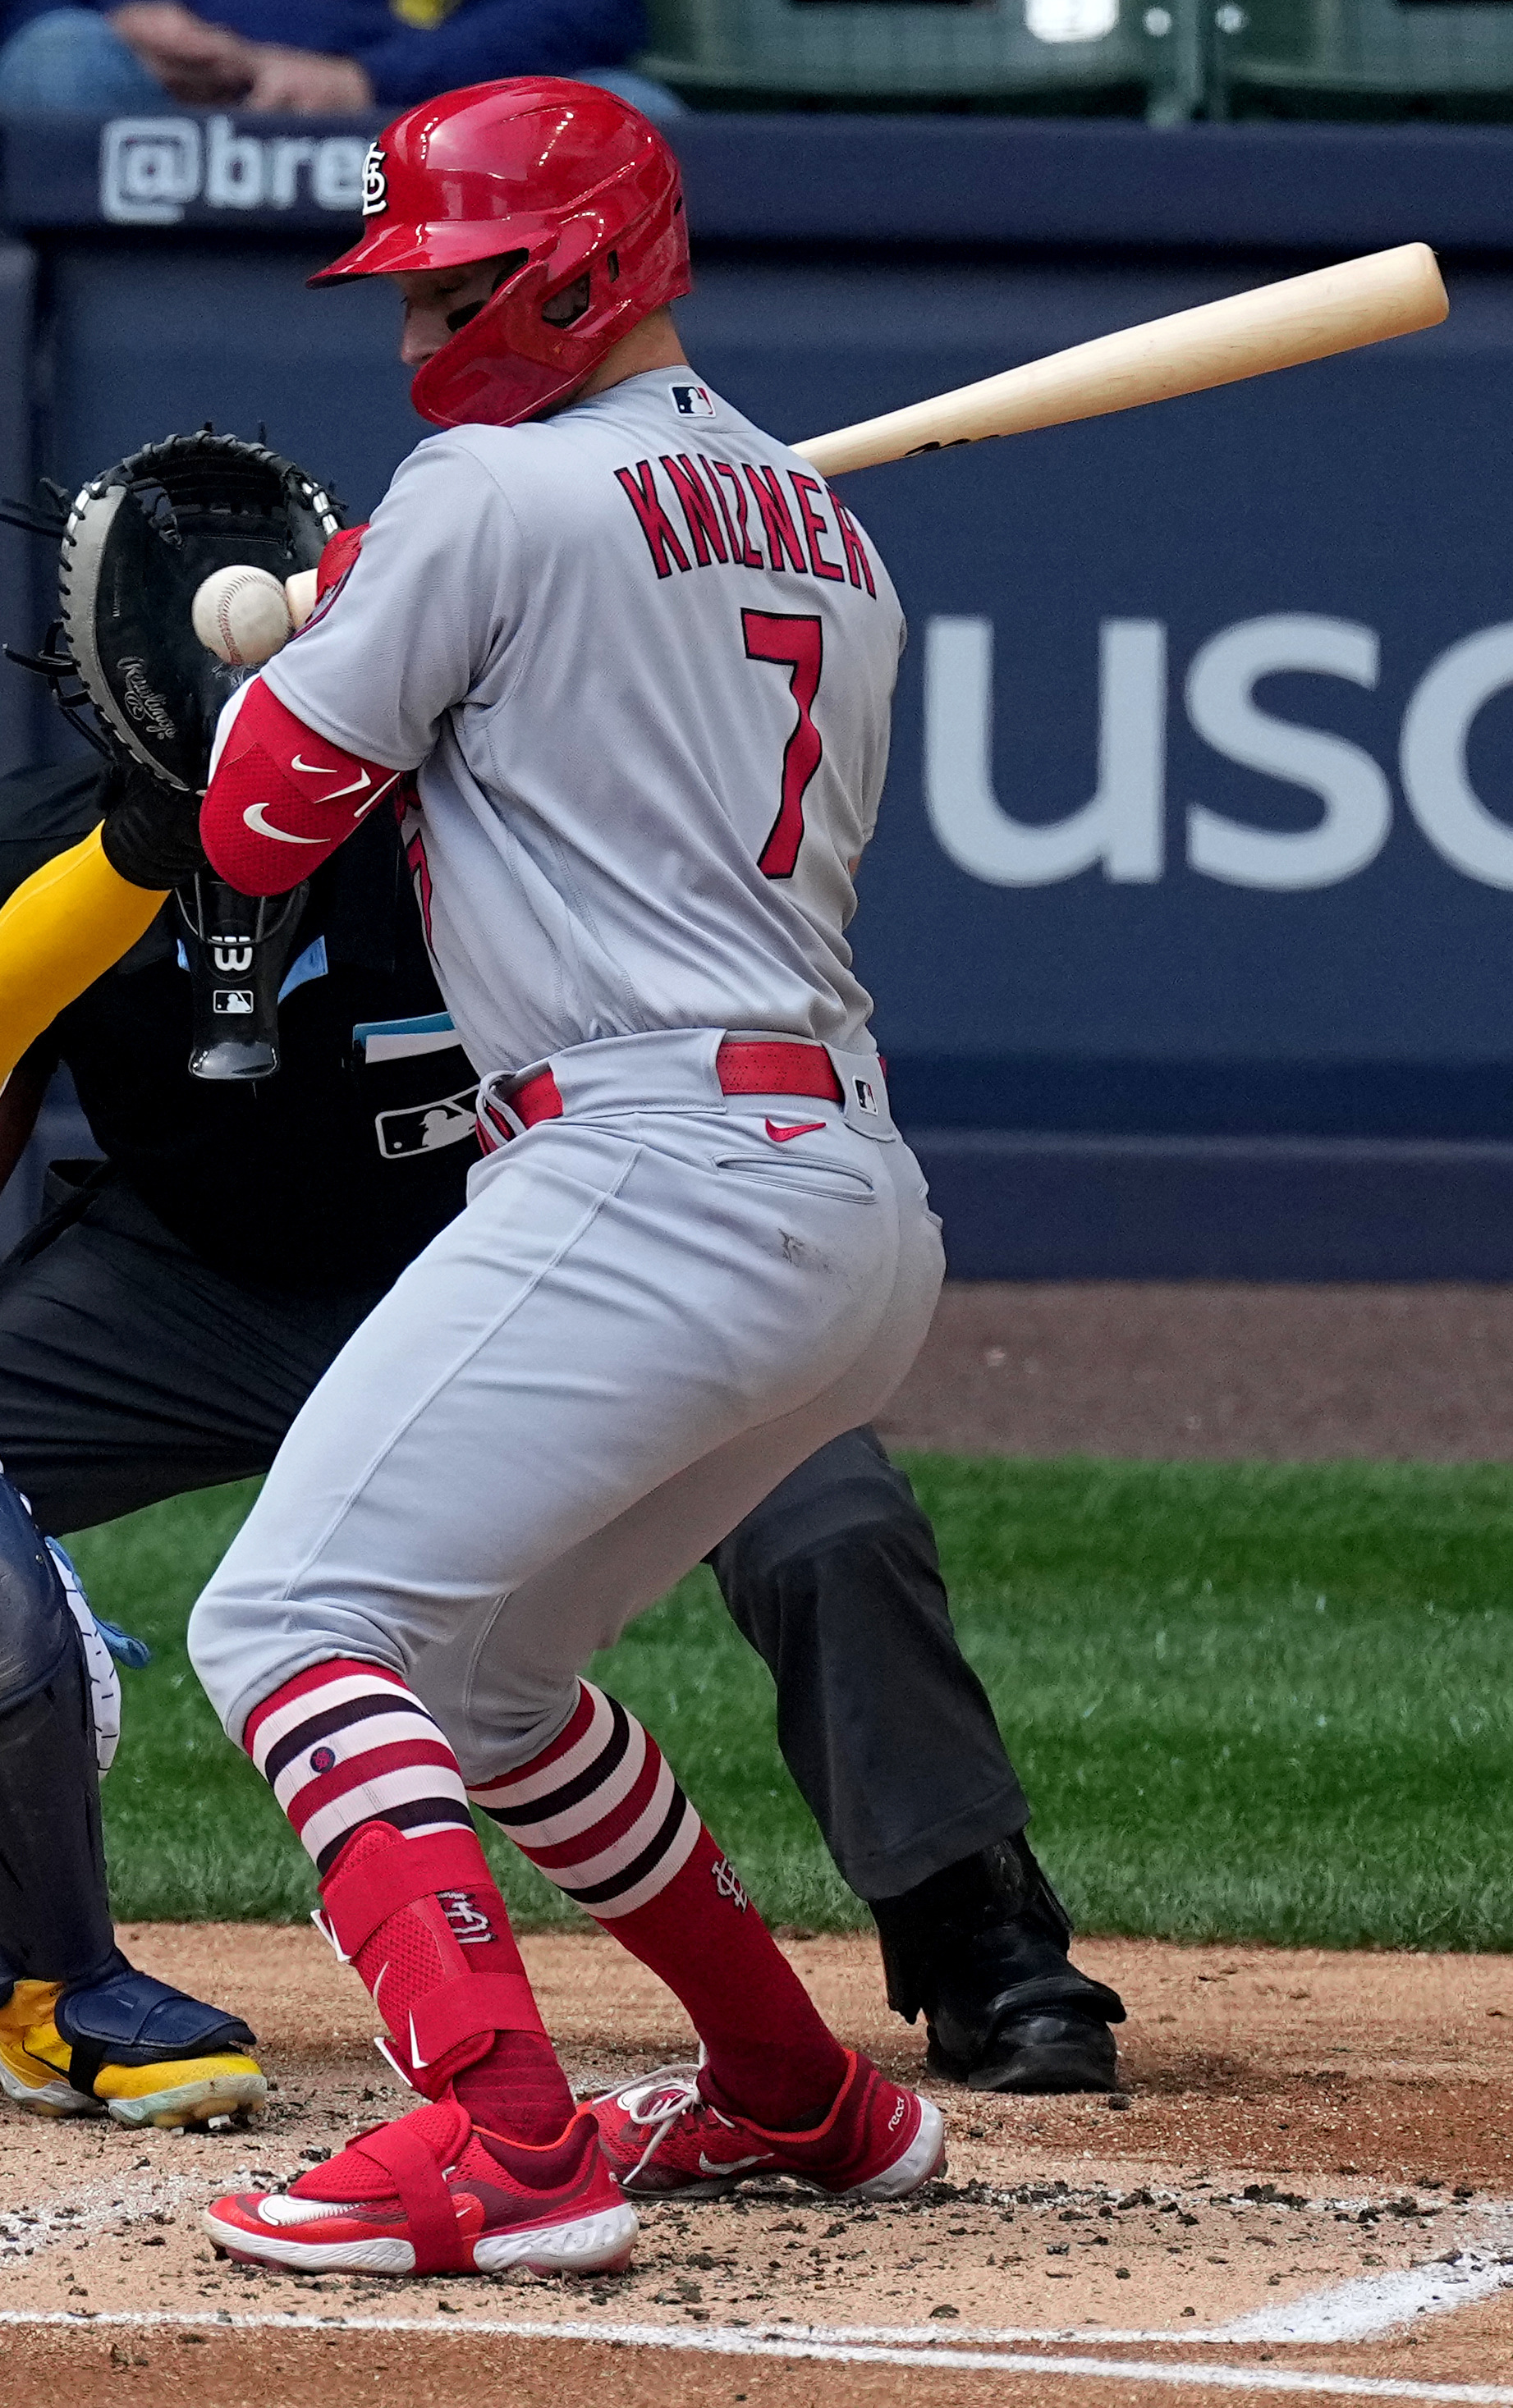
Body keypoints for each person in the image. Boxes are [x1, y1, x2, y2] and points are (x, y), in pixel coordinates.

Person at [0, 738, 1122, 2129]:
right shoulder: (57, 842)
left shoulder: (491, 804)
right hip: (196, 1292)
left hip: (541, 1275)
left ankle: (975, 1926)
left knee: (828, 1516)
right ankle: (39, 1960)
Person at [0, 0, 680, 120]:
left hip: (432, 117)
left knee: (635, 115)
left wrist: (364, 81)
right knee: (56, 59)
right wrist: (130, 13)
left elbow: (597, 11)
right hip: (182, 99)